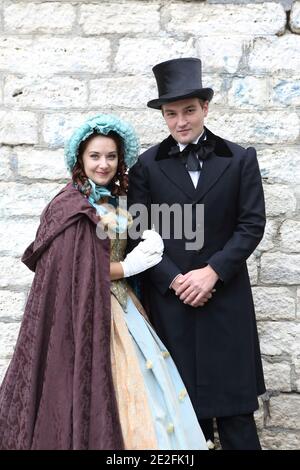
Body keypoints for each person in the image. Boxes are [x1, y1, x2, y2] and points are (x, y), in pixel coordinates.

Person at [0, 113, 208, 450]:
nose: (103, 164)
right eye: (95, 156)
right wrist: (129, 267)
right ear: (80, 159)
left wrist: (148, 247)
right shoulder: (70, 205)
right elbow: (72, 269)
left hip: (125, 310)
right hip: (85, 310)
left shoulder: (115, 202)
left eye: (111, 156)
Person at [127, 58, 266, 450]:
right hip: (173, 307)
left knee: (238, 418)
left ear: (206, 107)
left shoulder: (240, 159)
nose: (180, 121)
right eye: (171, 114)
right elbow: (139, 234)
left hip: (227, 303)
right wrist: (173, 278)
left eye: (189, 111)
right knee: (184, 421)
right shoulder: (145, 167)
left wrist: (213, 272)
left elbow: (251, 224)